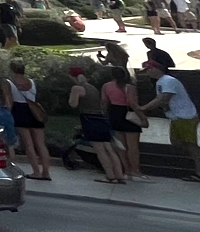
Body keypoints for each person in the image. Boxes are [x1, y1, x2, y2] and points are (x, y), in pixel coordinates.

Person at [68, 62, 126, 184]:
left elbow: (73, 104)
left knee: (100, 150)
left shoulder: (77, 88)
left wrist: (72, 95)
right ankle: (119, 175)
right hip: (101, 119)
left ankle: (110, 176)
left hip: (89, 119)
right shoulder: (92, 87)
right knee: (109, 149)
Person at [141, 64, 200, 180]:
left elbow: (163, 98)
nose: (147, 72)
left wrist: (144, 108)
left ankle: (198, 172)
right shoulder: (161, 82)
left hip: (185, 117)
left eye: (149, 69)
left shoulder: (168, 81)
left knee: (191, 145)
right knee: (178, 142)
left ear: (156, 69)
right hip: (177, 118)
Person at [5, 59, 51, 180]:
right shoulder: (31, 82)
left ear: (12, 70)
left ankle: (36, 171)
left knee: (28, 143)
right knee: (41, 144)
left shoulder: (10, 82)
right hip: (34, 111)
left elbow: (9, 100)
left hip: (19, 111)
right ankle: (46, 172)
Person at [103, 53, 146, 181]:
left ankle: (126, 169)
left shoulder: (106, 86)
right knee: (133, 146)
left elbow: (104, 102)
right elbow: (132, 103)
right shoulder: (129, 87)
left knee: (121, 145)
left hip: (114, 113)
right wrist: (142, 117)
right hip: (128, 114)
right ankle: (135, 170)